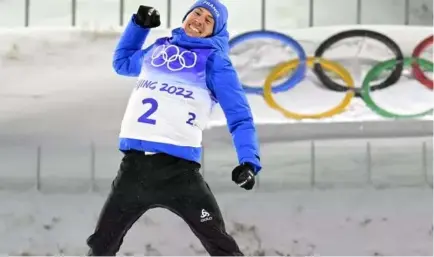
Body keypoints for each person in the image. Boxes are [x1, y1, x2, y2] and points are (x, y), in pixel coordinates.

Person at [86, 0, 262, 255]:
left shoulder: (215, 63)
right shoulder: (159, 49)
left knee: (222, 247)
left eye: (208, 20)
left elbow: (240, 117)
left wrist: (249, 162)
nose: (199, 21)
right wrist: (139, 26)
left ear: (215, 31)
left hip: (180, 175)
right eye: (197, 13)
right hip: (134, 171)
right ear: (187, 15)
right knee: (101, 246)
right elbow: (122, 63)